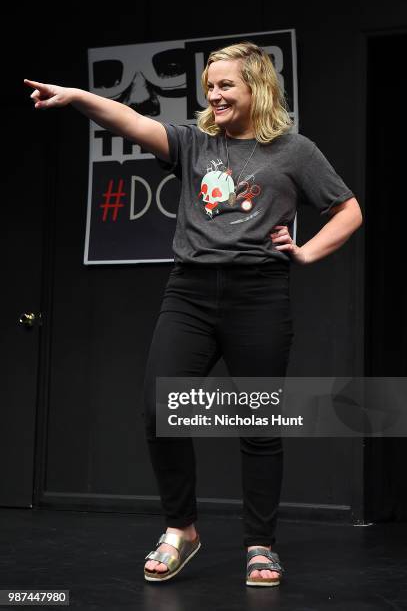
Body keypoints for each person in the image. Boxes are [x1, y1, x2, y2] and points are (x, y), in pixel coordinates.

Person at [24, 41, 363, 587]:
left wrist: (305, 252)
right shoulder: (194, 143)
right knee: (161, 409)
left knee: (256, 422)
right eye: (210, 86)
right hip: (191, 293)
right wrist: (79, 97)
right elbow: (131, 120)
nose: (215, 94)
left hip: (260, 295)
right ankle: (182, 529)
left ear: (258, 88)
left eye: (227, 84)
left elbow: (348, 209)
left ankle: (261, 545)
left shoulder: (295, 151)